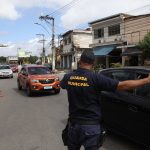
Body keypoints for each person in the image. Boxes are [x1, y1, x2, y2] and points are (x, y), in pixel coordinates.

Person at [60, 50, 150, 150]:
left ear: (80, 61)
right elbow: (123, 85)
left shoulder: (68, 77)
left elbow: (62, 85)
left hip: (73, 125)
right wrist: (146, 80)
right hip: (91, 127)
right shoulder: (96, 78)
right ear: (93, 63)